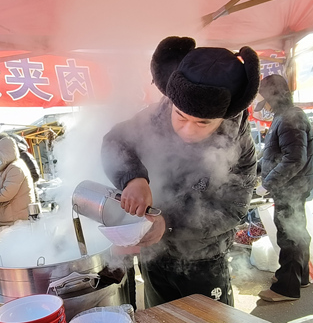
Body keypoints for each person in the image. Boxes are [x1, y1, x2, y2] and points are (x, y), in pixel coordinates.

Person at [102, 36, 260, 308]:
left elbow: (233, 209)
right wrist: (134, 178)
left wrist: (169, 222)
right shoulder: (156, 116)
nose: (187, 130)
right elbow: (115, 141)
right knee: (159, 321)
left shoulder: (240, 146)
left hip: (203, 257)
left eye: (202, 123)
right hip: (154, 254)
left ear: (223, 117)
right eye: (181, 116)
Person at [255, 74, 313, 302]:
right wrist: (255, 170)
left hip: (291, 188)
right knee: (297, 232)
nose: (264, 106)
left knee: (289, 235)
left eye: (265, 100)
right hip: (289, 187)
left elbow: (294, 159)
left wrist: (267, 184)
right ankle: (299, 277)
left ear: (273, 96)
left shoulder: (291, 118)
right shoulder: (283, 117)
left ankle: (286, 289)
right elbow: (273, 155)